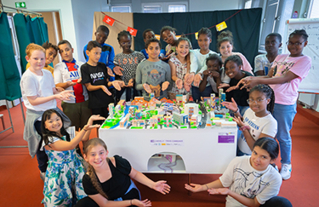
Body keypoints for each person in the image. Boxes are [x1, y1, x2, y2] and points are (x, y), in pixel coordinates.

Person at [233, 29, 312, 180]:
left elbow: (283, 79)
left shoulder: (304, 60)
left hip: (285, 102)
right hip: (269, 100)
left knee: (282, 135)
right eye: (291, 42)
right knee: (267, 133)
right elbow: (270, 76)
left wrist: (257, 80)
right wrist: (251, 78)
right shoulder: (281, 57)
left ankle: (286, 164)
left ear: (305, 44)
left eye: (298, 43)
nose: (293, 46)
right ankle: (267, 161)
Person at [20, 43, 74, 180]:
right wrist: (56, 96)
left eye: (42, 59)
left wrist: (61, 92)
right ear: (27, 58)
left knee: (61, 136)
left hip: (52, 112)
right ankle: (43, 170)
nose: (39, 62)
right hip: (38, 117)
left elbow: (52, 89)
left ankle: (63, 164)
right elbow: (33, 101)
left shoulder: (47, 73)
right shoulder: (28, 77)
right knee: (42, 144)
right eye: (35, 58)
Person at [185, 137, 285, 207]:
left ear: (272, 160)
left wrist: (229, 192)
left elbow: (254, 203)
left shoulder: (274, 178)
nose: (256, 160)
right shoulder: (238, 161)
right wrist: (203, 187)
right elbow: (224, 182)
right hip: (235, 203)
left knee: (284, 203)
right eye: (255, 153)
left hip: (256, 204)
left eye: (263, 157)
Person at [74, 138, 171, 207]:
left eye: (101, 153)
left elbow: (135, 174)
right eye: (93, 154)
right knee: (82, 204)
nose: (98, 158)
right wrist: (132, 202)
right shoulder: (87, 180)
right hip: (109, 201)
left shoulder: (118, 162)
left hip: (128, 196)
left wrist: (153, 185)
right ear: (85, 157)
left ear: (107, 153)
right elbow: (105, 204)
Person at [41, 110, 105, 207]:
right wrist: (84, 129)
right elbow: (71, 145)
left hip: (75, 166)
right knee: (61, 196)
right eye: (50, 121)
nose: (55, 123)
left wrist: (90, 121)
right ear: (45, 126)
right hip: (60, 171)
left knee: (81, 193)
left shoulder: (68, 131)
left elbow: (84, 137)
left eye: (57, 119)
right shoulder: (48, 140)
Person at [222, 84, 277, 156]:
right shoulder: (249, 110)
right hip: (238, 148)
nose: (254, 103)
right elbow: (244, 122)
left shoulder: (270, 123)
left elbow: (257, 149)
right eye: (251, 99)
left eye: (259, 100)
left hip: (250, 157)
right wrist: (236, 111)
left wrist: (244, 129)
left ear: (268, 101)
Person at [81, 41, 125, 124]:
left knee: (111, 122)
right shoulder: (84, 68)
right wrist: (101, 87)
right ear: (88, 53)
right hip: (96, 103)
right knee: (99, 126)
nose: (98, 56)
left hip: (107, 101)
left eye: (100, 53)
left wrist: (113, 83)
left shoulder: (102, 66)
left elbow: (106, 83)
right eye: (95, 53)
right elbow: (89, 87)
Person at [54, 40, 91, 131]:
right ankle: (75, 146)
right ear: (59, 53)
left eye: (67, 49)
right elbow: (57, 85)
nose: (65, 53)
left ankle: (86, 145)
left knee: (86, 129)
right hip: (69, 103)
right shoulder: (58, 67)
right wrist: (66, 84)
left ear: (72, 50)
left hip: (85, 102)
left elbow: (89, 81)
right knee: (72, 131)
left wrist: (84, 81)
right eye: (62, 51)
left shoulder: (82, 64)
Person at [114, 31, 145, 102]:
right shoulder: (117, 57)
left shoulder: (139, 55)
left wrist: (134, 79)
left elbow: (143, 72)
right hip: (123, 89)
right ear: (119, 43)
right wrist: (121, 82)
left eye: (128, 42)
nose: (126, 45)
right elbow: (117, 74)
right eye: (123, 43)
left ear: (131, 40)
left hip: (137, 87)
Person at [190, 27, 217, 101]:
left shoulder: (214, 54)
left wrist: (199, 73)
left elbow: (207, 66)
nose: (203, 43)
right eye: (200, 40)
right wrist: (193, 73)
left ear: (210, 40)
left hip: (207, 86)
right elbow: (193, 63)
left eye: (205, 40)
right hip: (194, 86)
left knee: (206, 106)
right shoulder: (193, 52)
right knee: (195, 106)